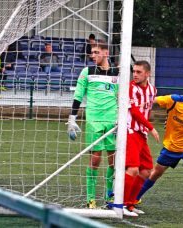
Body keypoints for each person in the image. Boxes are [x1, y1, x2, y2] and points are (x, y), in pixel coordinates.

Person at [135, 80, 183, 214]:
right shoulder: (174, 101)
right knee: (155, 173)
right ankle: (136, 197)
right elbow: (155, 100)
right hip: (171, 147)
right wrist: (142, 103)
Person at [66, 41, 118, 209]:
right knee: (95, 160)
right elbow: (78, 96)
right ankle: (91, 199)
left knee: (114, 161)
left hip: (113, 121)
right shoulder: (87, 72)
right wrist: (72, 119)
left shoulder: (117, 73)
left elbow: (122, 98)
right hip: (94, 121)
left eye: (96, 52)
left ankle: (109, 196)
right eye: (91, 52)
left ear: (106, 53)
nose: (92, 55)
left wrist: (121, 118)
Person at [122, 60, 159, 217]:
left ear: (147, 73)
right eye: (134, 72)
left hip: (140, 133)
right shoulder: (130, 88)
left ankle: (130, 203)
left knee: (146, 171)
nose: (135, 75)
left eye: (138, 72)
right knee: (133, 169)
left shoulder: (152, 90)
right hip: (129, 130)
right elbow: (135, 112)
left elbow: (147, 110)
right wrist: (151, 128)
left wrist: (146, 129)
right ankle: (120, 204)